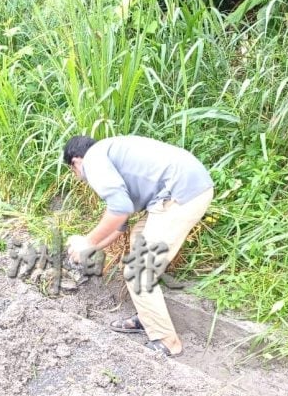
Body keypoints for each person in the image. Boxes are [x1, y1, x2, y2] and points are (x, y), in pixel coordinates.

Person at [63, 134, 214, 356]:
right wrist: (90, 249)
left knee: (138, 271)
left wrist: (87, 241)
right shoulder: (112, 155)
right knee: (139, 238)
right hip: (182, 189)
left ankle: (167, 342)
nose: (78, 177)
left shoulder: (93, 159)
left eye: (73, 172)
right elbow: (119, 224)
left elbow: (119, 209)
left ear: (76, 161)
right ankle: (149, 317)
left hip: (180, 193)